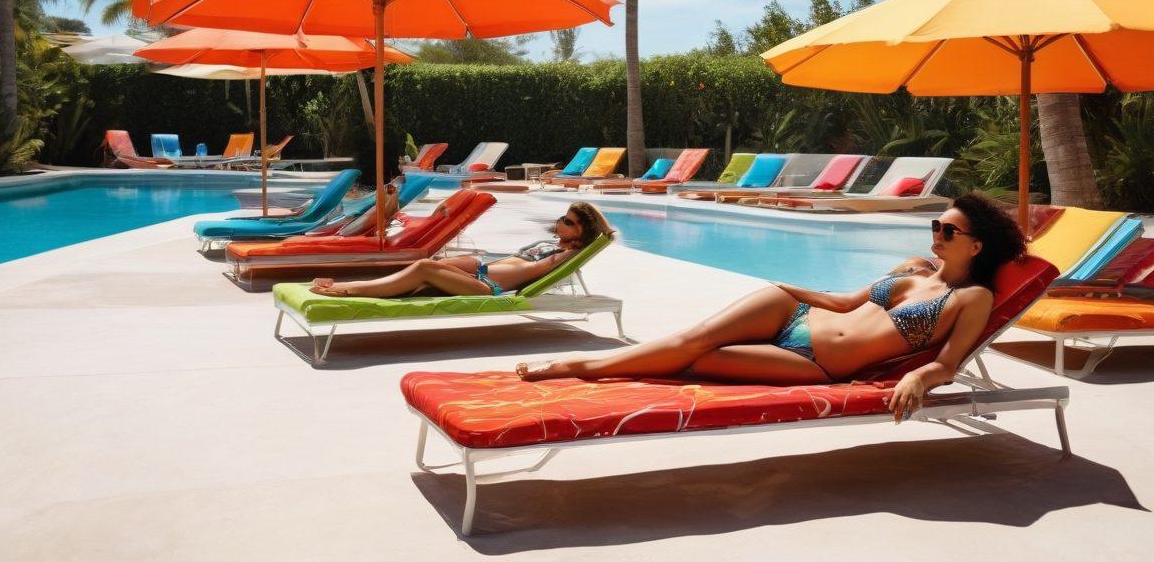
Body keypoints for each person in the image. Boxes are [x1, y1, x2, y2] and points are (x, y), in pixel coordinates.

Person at [516, 193, 1026, 422]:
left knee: (697, 362)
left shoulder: (971, 298)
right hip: (795, 314)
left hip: (816, 363)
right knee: (691, 341)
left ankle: (594, 367)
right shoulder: (912, 268)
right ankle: (574, 366)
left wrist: (916, 379)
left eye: (948, 231)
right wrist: (786, 290)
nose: (936, 234)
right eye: (935, 226)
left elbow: (948, 364)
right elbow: (846, 302)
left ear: (976, 246)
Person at [308, 202, 614, 298]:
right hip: (481, 271)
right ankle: (354, 287)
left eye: (570, 221)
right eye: (563, 217)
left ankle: (347, 291)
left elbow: (532, 270)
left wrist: (598, 229)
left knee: (425, 270)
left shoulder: (567, 254)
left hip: (487, 285)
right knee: (424, 269)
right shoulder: (551, 244)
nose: (561, 221)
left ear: (581, 233)